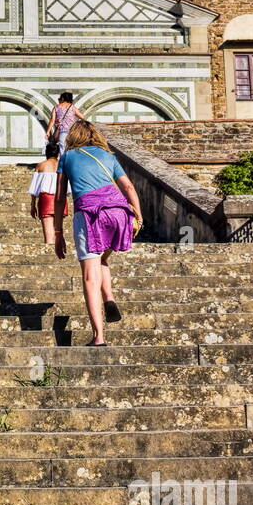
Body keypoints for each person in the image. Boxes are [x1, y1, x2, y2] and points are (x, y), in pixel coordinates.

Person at [53, 119, 143, 346]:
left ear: (73, 136)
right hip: (119, 213)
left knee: (89, 275)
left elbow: (60, 197)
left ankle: (99, 337)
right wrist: (139, 217)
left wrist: (58, 232)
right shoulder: (108, 156)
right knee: (103, 258)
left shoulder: (67, 157)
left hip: (90, 215)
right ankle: (109, 297)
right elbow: (128, 187)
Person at [28, 138, 60, 245]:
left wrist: (33, 205)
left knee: (49, 233)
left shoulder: (41, 165)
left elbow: (34, 187)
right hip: (60, 198)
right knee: (58, 231)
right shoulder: (62, 165)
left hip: (46, 198)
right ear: (58, 153)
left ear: (46, 153)